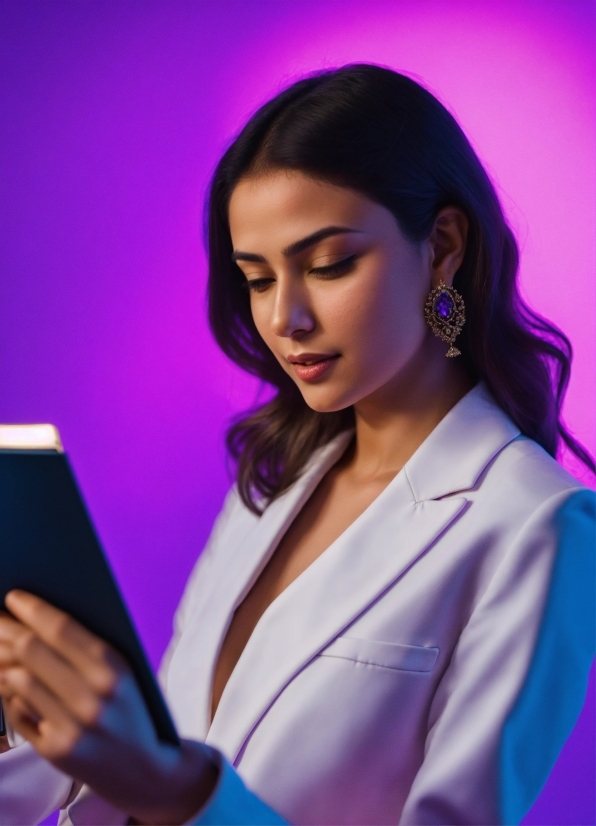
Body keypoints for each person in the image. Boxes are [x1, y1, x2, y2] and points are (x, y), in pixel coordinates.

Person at [0, 64, 594, 826]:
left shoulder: (538, 527)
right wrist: (40, 702)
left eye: (328, 265)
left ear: (443, 246)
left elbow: (170, 779)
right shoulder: (271, 482)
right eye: (256, 278)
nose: (287, 318)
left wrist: (176, 791)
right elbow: (150, 760)